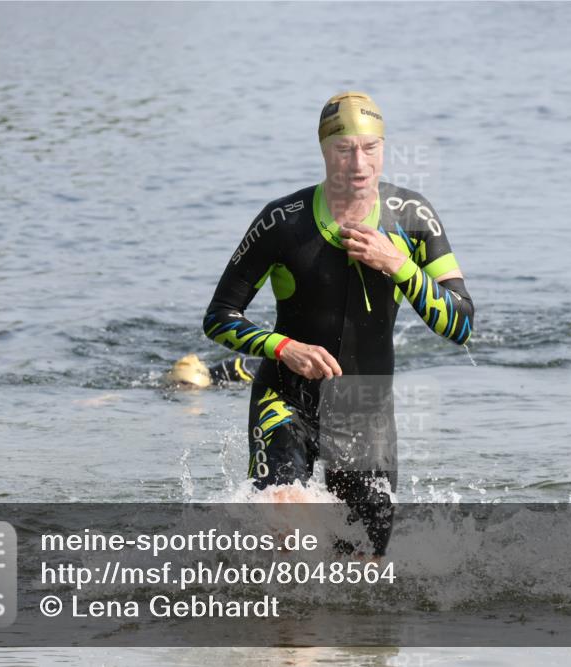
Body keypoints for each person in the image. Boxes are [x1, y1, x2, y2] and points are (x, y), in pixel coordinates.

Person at [203, 91, 474, 556]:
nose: (359, 163)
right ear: (324, 151)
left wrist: (399, 266)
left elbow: (462, 325)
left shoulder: (413, 218)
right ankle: (284, 625)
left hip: (366, 410)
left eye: (370, 148)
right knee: (285, 528)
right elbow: (219, 317)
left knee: (364, 568)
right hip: (286, 397)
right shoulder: (281, 222)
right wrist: (283, 347)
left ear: (384, 149)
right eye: (344, 149)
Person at [164, 354, 260, 388]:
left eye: (184, 384)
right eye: (175, 384)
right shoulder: (217, 380)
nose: (178, 387)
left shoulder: (240, 373)